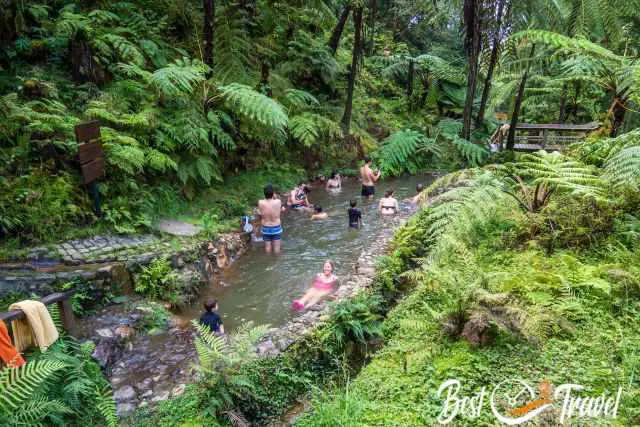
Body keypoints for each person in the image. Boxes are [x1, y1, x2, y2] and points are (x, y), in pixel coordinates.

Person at [258, 184, 283, 253]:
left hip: (266, 227)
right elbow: (280, 206)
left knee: (267, 246)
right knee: (277, 247)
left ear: (264, 193)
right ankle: (276, 262)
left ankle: (268, 260)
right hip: (276, 227)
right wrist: (274, 195)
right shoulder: (278, 202)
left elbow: (260, 212)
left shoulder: (260, 202)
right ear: (273, 193)